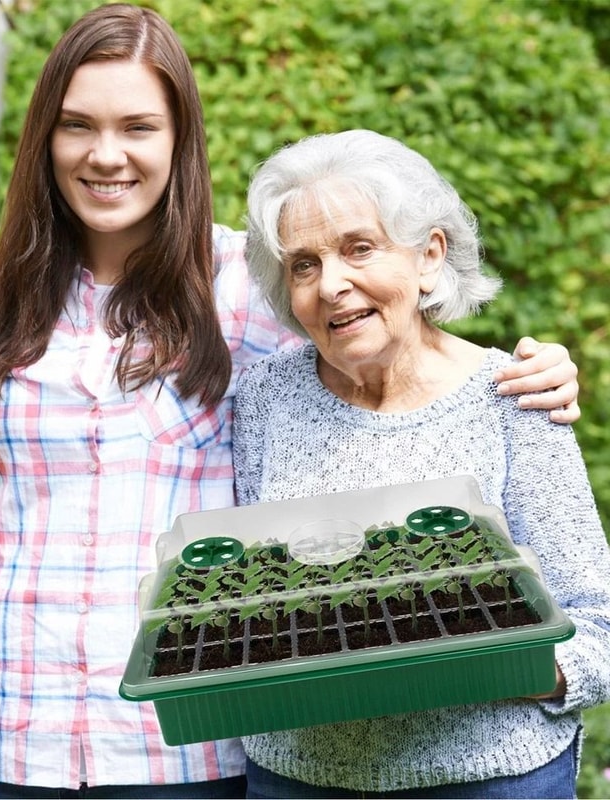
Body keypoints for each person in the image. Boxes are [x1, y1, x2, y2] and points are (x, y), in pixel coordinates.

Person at [0, 6, 582, 799]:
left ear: (179, 141)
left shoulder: (253, 288)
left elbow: (386, 376)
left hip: (178, 743)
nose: (105, 155)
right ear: (45, 139)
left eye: (137, 126)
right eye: (77, 126)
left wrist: (522, 375)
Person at [232, 128, 610, 799]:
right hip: (297, 780)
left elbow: (600, 627)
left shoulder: (514, 398)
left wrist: (499, 665)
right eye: (304, 265)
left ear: (429, 257)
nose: (333, 285)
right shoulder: (265, 397)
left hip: (490, 781)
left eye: (359, 248)